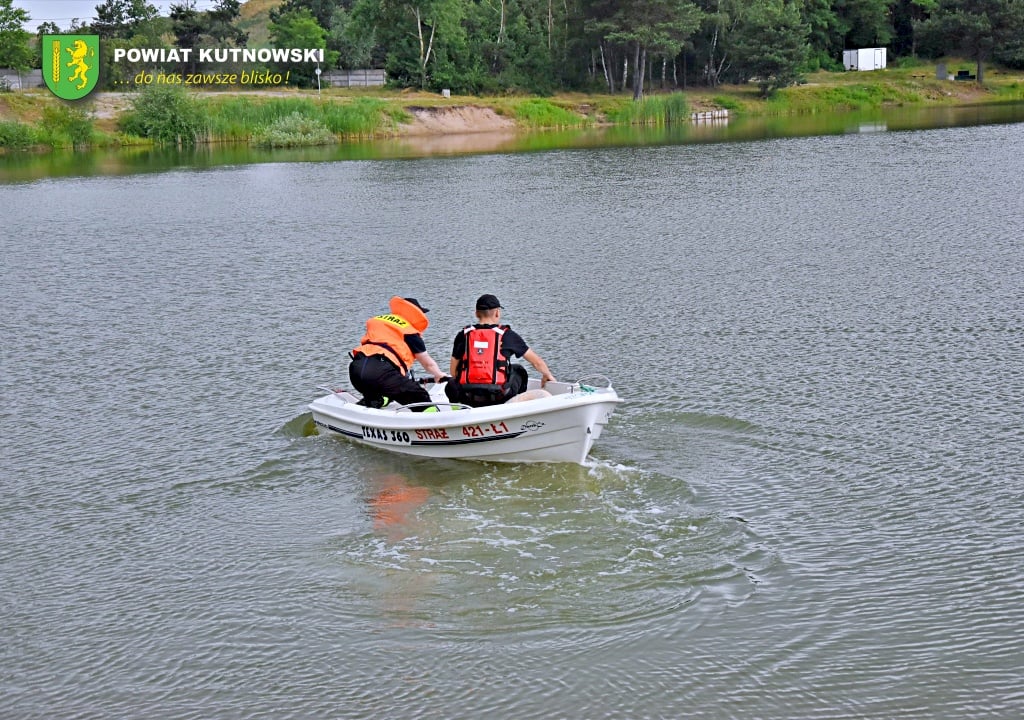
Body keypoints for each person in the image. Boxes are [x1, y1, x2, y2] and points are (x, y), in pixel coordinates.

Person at [444, 294, 556, 407]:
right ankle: (517, 409)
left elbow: (453, 372)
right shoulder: (507, 335)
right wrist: (548, 375)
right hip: (499, 396)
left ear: (476, 313)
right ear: (497, 313)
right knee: (519, 370)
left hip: (468, 396)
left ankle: (462, 412)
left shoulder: (463, 335)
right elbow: (536, 362)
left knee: (451, 384)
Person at [349, 296, 447, 410]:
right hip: (380, 372)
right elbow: (427, 363)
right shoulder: (409, 332)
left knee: (383, 390)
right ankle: (434, 422)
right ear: (415, 314)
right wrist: (439, 375)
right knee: (420, 396)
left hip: (356, 370)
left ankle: (376, 401)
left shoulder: (380, 322)